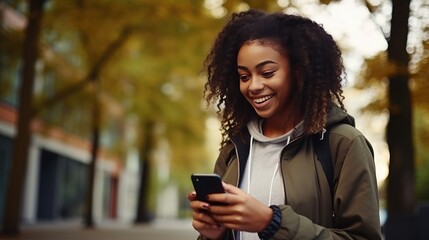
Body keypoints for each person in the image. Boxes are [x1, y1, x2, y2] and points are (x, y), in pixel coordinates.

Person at [188, 9, 382, 240]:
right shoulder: (236, 146)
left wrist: (272, 223)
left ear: (299, 72)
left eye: (267, 73)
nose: (253, 86)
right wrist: (214, 235)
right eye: (244, 76)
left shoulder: (343, 144)